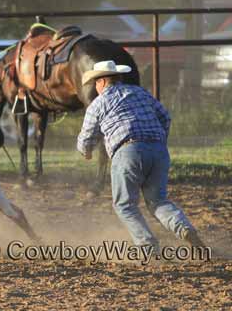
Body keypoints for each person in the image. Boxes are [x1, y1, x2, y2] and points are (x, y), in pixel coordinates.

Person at [77, 60, 206, 250]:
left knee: (125, 205)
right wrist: (157, 141)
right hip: (158, 150)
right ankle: (184, 228)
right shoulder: (140, 92)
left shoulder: (98, 104)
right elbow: (165, 117)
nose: (95, 87)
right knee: (158, 201)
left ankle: (147, 245)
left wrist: (86, 152)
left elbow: (86, 139)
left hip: (127, 152)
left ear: (103, 81)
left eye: (96, 82)